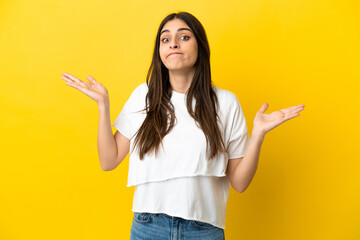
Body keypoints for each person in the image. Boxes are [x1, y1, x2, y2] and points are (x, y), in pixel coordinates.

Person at [61, 11, 305, 240]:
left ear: (200, 46)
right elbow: (109, 160)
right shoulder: (143, 96)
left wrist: (259, 135)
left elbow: (240, 183)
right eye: (165, 39)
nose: (173, 43)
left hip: (203, 230)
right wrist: (103, 106)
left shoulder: (225, 102)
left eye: (184, 37)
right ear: (160, 52)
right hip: (148, 227)